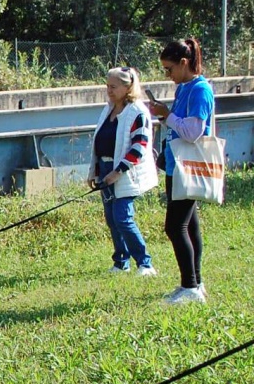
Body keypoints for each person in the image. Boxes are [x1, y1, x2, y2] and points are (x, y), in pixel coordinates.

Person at [147, 38, 215, 304]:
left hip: (189, 167)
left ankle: (190, 286)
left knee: (175, 227)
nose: (168, 75)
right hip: (177, 165)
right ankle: (195, 282)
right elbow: (179, 125)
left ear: (184, 63)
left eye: (169, 69)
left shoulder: (200, 90)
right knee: (189, 225)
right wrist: (164, 115)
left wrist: (167, 115)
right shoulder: (184, 88)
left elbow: (194, 132)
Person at [88, 66, 159, 276]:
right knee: (111, 218)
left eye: (114, 87)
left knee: (122, 217)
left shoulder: (137, 112)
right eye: (107, 86)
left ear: (128, 87)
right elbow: (98, 142)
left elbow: (139, 147)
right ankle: (121, 261)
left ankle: (145, 263)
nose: (109, 91)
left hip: (126, 172)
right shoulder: (108, 109)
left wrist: (118, 172)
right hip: (105, 168)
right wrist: (94, 172)